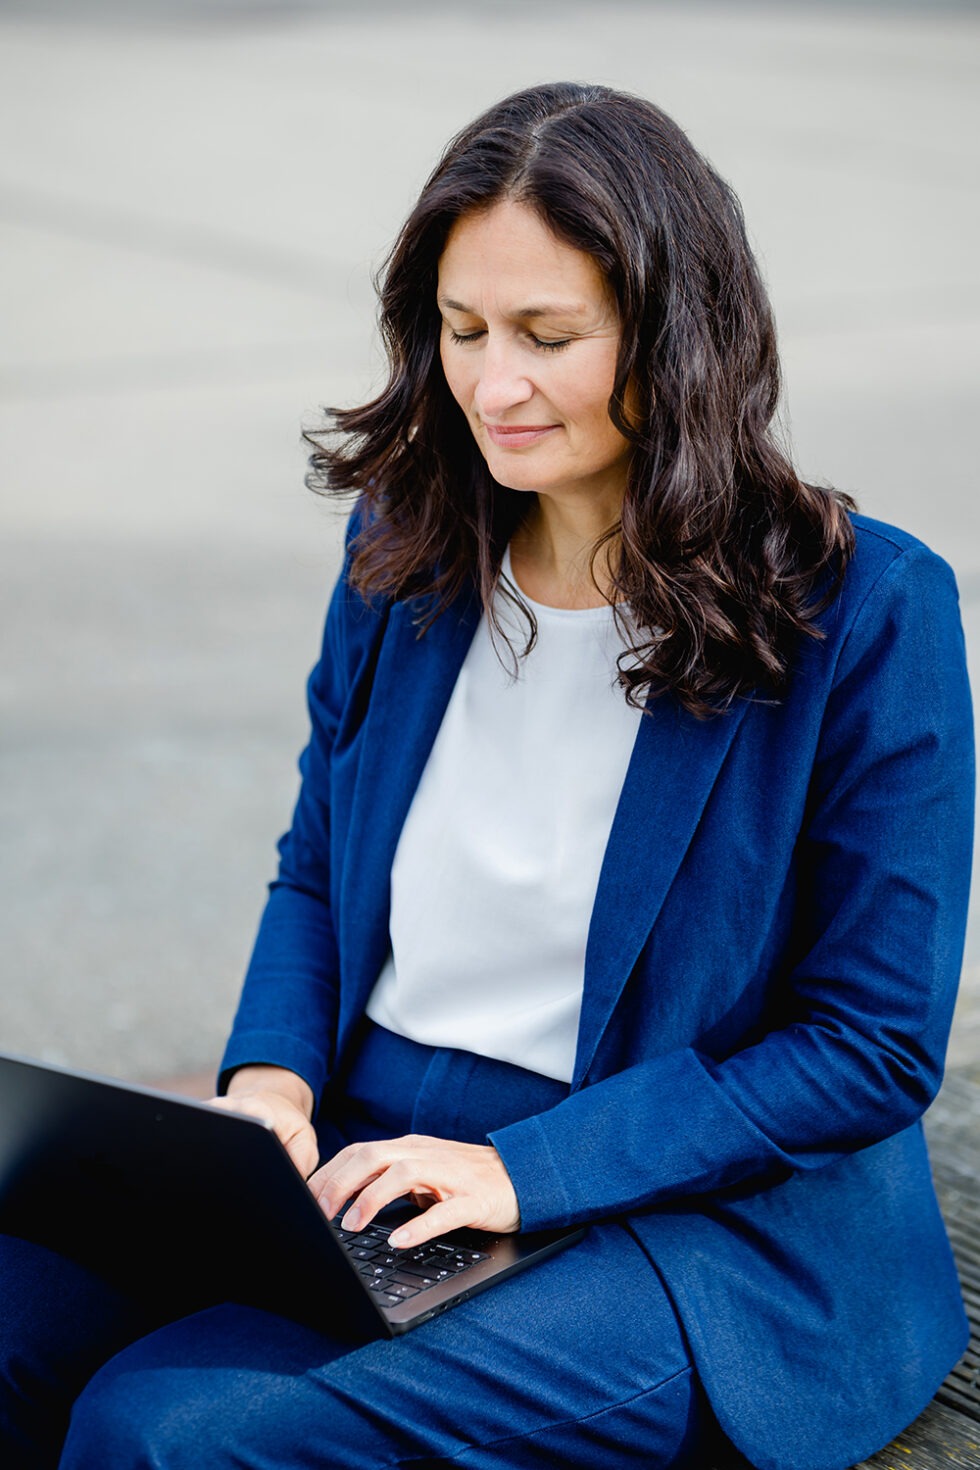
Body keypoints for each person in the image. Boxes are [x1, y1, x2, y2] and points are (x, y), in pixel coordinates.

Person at [0, 81, 974, 1470]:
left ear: (677, 335)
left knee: (169, 1432)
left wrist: (529, 1171)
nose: (491, 385)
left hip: (676, 1214)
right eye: (462, 331)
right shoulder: (408, 548)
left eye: (547, 336)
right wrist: (271, 1082)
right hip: (370, 1144)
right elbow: (320, 866)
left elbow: (868, 1044)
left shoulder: (865, 611)